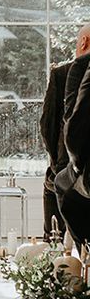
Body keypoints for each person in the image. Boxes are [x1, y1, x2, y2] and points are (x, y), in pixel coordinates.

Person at [40, 24, 90, 241]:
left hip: (72, 161)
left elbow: (48, 125)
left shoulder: (64, 73)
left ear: (83, 42)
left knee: (54, 181)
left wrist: (55, 160)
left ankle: (54, 244)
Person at [55, 40, 90, 247]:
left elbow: (75, 125)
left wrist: (77, 165)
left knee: (63, 184)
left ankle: (86, 258)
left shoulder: (83, 65)